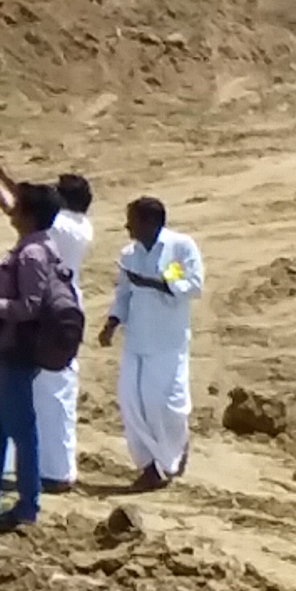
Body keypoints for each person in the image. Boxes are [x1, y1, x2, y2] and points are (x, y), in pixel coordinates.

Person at [0, 181, 81, 526]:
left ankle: (26, 505)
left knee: (20, 429)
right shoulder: (34, 247)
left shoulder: (32, 253)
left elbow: (28, 306)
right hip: (12, 349)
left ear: (29, 215)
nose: (12, 211)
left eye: (18, 207)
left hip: (16, 349)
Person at [0, 159, 96, 488]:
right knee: (53, 392)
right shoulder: (80, 226)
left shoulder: (59, 226)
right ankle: (46, 468)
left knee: (43, 392)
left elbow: (15, 205)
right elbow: (28, 199)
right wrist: (2, 173)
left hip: (48, 310)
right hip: (63, 305)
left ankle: (50, 472)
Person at [102, 194, 203, 492]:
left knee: (163, 405)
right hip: (136, 339)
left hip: (167, 342)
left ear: (149, 222)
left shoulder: (179, 248)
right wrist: (111, 323)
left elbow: (193, 286)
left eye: (132, 221)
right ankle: (149, 467)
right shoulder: (130, 254)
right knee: (130, 402)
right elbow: (124, 294)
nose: (127, 227)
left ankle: (174, 452)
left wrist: (157, 282)